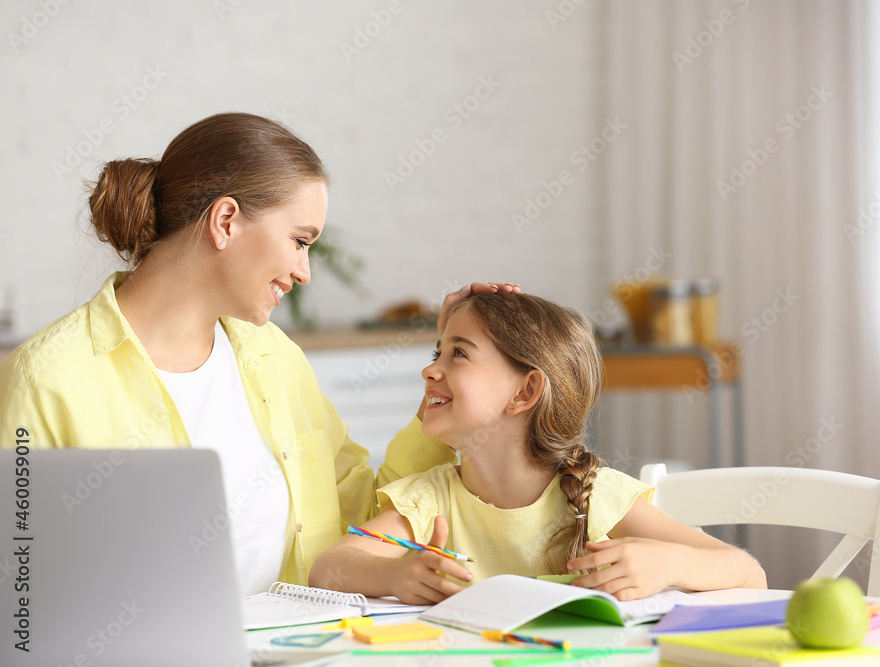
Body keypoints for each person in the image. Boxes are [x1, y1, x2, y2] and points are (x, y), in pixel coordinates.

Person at [0, 112, 517, 595]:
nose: (304, 270)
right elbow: (19, 591)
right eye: (299, 239)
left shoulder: (273, 357)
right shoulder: (48, 379)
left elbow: (361, 510)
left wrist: (449, 379)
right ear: (225, 221)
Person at [309, 292, 767, 604]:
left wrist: (667, 563)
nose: (429, 372)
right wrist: (395, 576)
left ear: (525, 393)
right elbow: (329, 567)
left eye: (458, 354)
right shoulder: (430, 500)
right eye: (436, 354)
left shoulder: (595, 497)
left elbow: (749, 575)